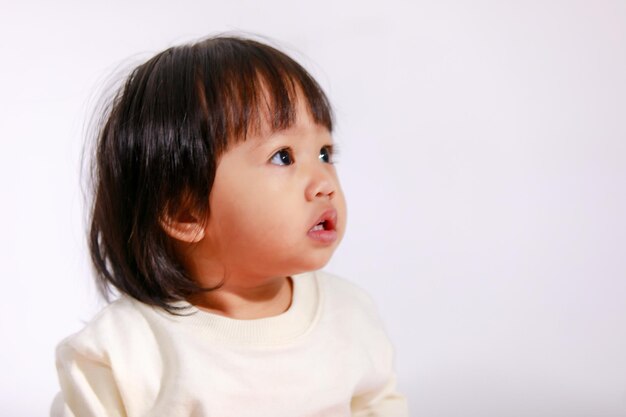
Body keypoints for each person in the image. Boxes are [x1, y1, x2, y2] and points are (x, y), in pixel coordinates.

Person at [51, 35, 408, 417]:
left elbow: (378, 406)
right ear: (187, 213)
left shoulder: (349, 315)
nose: (324, 182)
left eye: (324, 153)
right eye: (283, 156)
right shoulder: (124, 354)